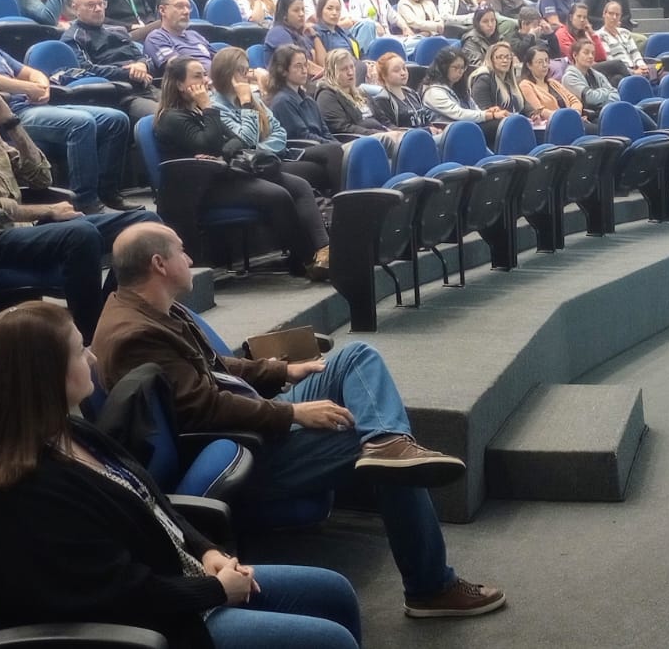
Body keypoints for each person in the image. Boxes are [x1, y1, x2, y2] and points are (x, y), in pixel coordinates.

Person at [91, 223, 505, 619]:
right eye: (182, 250)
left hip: (245, 416)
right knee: (378, 455)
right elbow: (202, 409)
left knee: (354, 357)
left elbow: (215, 369)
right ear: (160, 264)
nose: (191, 256)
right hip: (232, 449)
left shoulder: (152, 308)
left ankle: (387, 440)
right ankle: (430, 588)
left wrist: (281, 371)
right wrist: (293, 411)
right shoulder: (135, 333)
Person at [0, 301, 361, 649]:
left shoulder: (71, 432)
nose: (93, 358)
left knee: (335, 593)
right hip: (158, 626)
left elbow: (155, 504)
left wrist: (208, 551)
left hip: (184, 579)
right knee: (330, 641)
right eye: (80, 351)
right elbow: (120, 594)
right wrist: (216, 589)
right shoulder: (28, 494)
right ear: (46, 377)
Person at [0, 40, 157, 342]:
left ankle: (110, 320)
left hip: (18, 231)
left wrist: (12, 124)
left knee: (146, 227)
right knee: (80, 235)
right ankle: (93, 340)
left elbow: (40, 176)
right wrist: (47, 211)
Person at [0, 0, 135, 214]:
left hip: (36, 107)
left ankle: (109, 192)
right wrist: (27, 88)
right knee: (81, 123)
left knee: (116, 119)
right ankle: (85, 201)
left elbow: (31, 72)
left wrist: (41, 85)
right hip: (11, 115)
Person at [154, 57, 329, 278]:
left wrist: (220, 147)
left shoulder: (200, 113)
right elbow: (206, 142)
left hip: (227, 175)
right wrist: (209, 111)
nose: (205, 81)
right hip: (201, 189)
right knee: (278, 195)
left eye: (204, 75)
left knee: (299, 184)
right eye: (197, 76)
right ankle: (304, 259)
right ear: (179, 84)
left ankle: (324, 250)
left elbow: (237, 141)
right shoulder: (171, 118)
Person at [218, 46, 342, 194]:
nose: (304, 70)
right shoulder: (280, 100)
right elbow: (247, 140)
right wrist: (246, 103)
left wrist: (263, 150)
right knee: (336, 152)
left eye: (247, 70)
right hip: (268, 161)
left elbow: (280, 133)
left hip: (275, 154)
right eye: (298, 66)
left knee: (347, 150)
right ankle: (344, 201)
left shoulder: (306, 98)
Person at [61, 0, 160, 121]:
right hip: (121, 94)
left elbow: (144, 58)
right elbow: (86, 69)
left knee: (191, 110)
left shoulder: (118, 30)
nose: (98, 9)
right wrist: (129, 73)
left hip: (147, 87)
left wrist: (142, 66)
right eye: (91, 5)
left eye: (101, 4)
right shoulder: (73, 37)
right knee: (166, 118)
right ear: (75, 8)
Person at [317, 48, 402, 154]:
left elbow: (383, 120)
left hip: (379, 135)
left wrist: (396, 131)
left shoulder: (361, 92)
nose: (350, 72)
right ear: (332, 72)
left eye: (352, 67)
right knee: (398, 143)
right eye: (344, 69)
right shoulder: (327, 96)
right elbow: (343, 129)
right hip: (357, 142)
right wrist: (381, 134)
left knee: (410, 136)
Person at [423, 46, 506, 140]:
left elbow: (474, 108)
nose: (460, 72)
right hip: (449, 133)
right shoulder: (433, 92)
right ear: (443, 68)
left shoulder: (459, 88)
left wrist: (489, 112)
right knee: (499, 126)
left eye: (462, 68)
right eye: (455, 67)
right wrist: (489, 115)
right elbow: (459, 114)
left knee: (505, 122)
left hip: (467, 127)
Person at [143, 0, 213, 76]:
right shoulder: (156, 37)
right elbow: (178, 68)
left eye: (188, 7)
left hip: (216, 85)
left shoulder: (195, 35)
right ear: (162, 10)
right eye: (180, 6)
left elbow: (221, 61)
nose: (186, 11)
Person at [519, 45, 590, 130]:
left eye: (546, 61)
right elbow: (540, 110)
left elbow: (574, 101)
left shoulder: (553, 83)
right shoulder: (526, 85)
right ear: (529, 65)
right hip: (552, 126)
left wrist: (575, 114)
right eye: (540, 62)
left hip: (571, 120)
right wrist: (566, 118)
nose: (545, 65)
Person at [469, 40, 539, 122]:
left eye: (507, 57)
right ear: (491, 59)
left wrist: (533, 114)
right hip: (494, 126)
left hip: (514, 123)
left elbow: (523, 104)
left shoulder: (510, 81)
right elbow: (484, 110)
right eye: (500, 57)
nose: (505, 61)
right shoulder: (483, 79)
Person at [370, 53, 438, 131]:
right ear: (384, 76)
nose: (403, 73)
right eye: (396, 70)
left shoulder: (412, 94)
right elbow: (391, 129)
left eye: (404, 68)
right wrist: (427, 131)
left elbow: (426, 120)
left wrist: (434, 129)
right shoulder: (382, 100)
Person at [264, 0, 321, 78]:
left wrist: (315, 37)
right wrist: (328, 75)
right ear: (284, 15)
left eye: (303, 10)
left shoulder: (301, 35)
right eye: (296, 10)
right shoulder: (277, 32)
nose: (302, 14)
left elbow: (320, 61)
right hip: (282, 84)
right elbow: (300, 63)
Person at [560, 38, 618, 118]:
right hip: (585, 118)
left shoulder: (598, 75)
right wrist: (606, 92)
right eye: (586, 53)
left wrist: (604, 101)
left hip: (604, 114)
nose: (590, 56)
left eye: (593, 53)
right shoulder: (569, 77)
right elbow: (590, 98)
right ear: (575, 55)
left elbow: (615, 94)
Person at [595, 0, 649, 80]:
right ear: (604, 14)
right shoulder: (600, 35)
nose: (614, 17)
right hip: (619, 71)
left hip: (635, 68)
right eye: (611, 13)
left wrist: (642, 66)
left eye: (617, 15)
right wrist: (633, 72)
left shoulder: (625, 32)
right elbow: (610, 61)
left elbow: (635, 53)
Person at [554, 3, 608, 68]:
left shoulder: (585, 34)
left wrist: (592, 34)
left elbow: (601, 57)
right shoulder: (561, 33)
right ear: (571, 18)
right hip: (574, 69)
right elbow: (574, 57)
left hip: (589, 67)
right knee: (617, 64)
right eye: (579, 16)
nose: (582, 20)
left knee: (616, 77)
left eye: (584, 17)